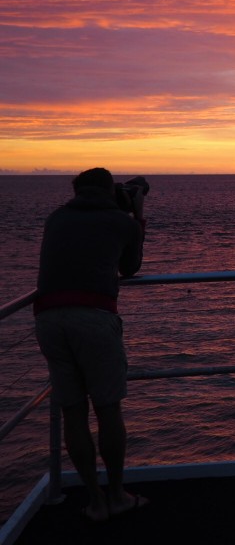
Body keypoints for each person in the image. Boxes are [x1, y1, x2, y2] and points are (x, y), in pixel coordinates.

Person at [34, 167, 149, 523]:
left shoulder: (56, 217)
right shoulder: (121, 221)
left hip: (48, 317)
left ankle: (94, 502)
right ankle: (116, 496)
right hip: (94, 317)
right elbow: (129, 268)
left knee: (72, 411)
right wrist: (137, 215)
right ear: (110, 191)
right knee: (107, 409)